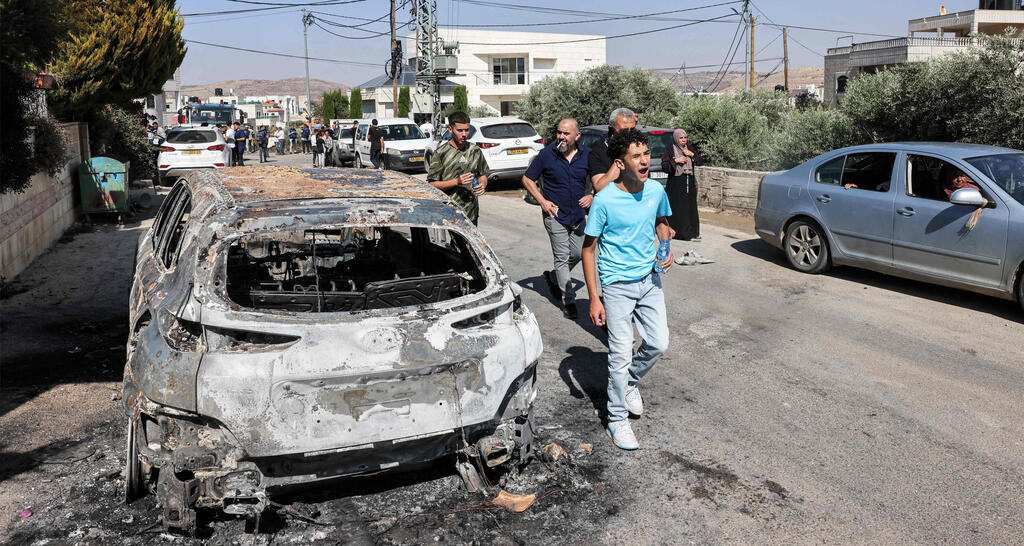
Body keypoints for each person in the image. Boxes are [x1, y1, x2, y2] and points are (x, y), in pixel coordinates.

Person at [581, 128, 673, 451]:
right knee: (619, 354)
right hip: (617, 286)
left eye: (646, 153)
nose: (645, 160)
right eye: (637, 156)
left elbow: (662, 222)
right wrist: (594, 297)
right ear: (621, 162)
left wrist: (665, 245)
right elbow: (588, 249)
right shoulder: (605, 200)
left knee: (659, 342)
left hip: (650, 282)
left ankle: (631, 381)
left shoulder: (655, 191)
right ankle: (616, 418)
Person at [521, 118, 592, 320]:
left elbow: (598, 178)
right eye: (559, 132)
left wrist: (593, 194)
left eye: (566, 134)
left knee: (578, 253)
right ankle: (569, 301)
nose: (561, 137)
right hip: (555, 215)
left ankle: (553, 277)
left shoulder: (587, 155)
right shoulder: (546, 155)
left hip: (578, 216)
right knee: (562, 257)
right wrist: (543, 201)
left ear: (577, 136)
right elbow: (527, 179)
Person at [426, 111, 489, 225]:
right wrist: (456, 182)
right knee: (455, 243)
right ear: (450, 130)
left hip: (471, 213)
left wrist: (482, 185)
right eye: (460, 130)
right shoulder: (441, 153)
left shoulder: (475, 150)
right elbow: (432, 184)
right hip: (450, 213)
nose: (464, 134)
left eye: (467, 130)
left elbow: (482, 174)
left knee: (470, 243)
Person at [660, 129, 705, 241]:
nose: (684, 140)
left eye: (685, 137)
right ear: (676, 139)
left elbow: (700, 161)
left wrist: (692, 155)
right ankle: (678, 233)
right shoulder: (670, 150)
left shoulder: (690, 149)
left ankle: (693, 232)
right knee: (677, 207)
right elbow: (665, 166)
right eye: (681, 138)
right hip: (676, 183)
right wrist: (676, 161)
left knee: (690, 207)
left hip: (689, 181)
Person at [588, 108, 638, 194]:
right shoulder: (598, 152)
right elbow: (600, 188)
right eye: (624, 131)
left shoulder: (637, 148)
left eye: (632, 130)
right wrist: (622, 155)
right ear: (611, 129)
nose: (629, 135)